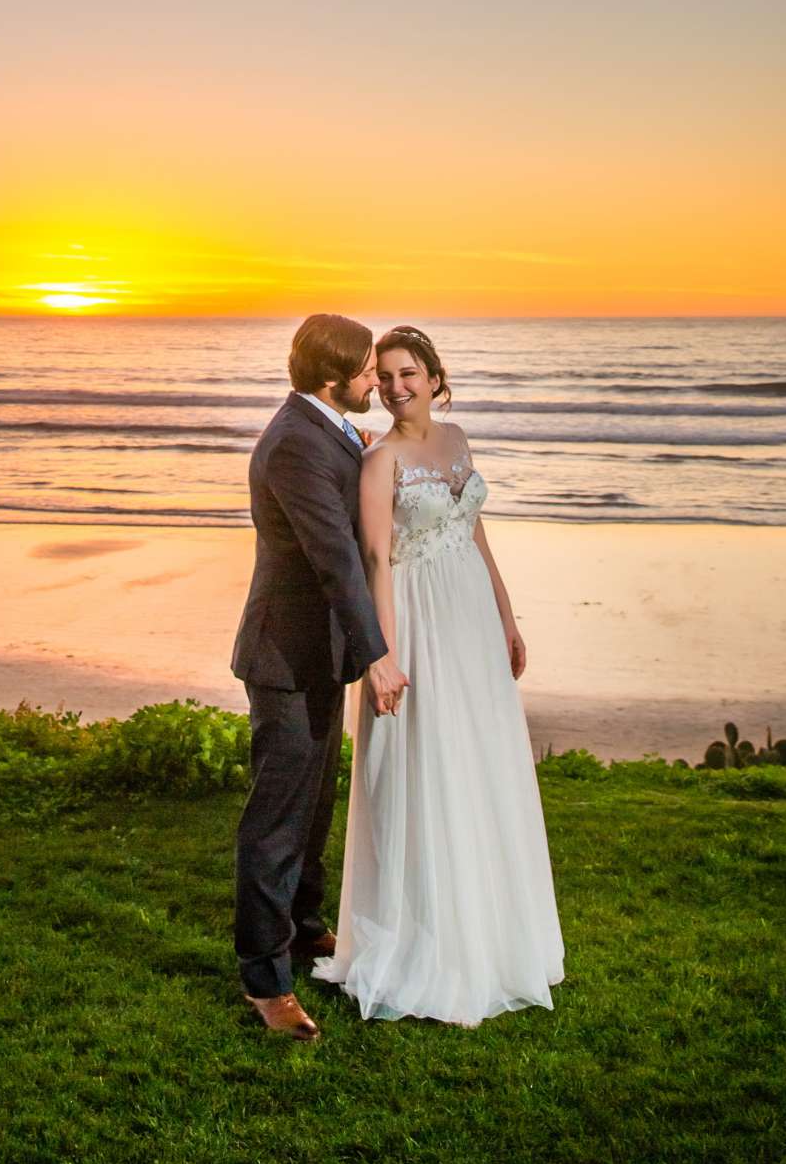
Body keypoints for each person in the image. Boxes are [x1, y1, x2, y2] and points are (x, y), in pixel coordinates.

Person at [312, 325, 565, 1025]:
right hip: (418, 622)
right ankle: (427, 942)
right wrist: (383, 656)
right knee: (427, 764)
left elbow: (476, 531)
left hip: (472, 617)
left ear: (432, 375)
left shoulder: (457, 440)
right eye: (385, 376)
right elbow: (375, 562)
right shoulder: (379, 460)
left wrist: (507, 617)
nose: (396, 387)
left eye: (408, 373)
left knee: (482, 762)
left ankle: (494, 934)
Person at [231, 314, 410, 1040]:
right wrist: (377, 655)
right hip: (286, 657)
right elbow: (334, 556)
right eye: (369, 370)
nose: (376, 380)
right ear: (335, 379)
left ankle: (304, 930)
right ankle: (265, 981)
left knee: (312, 808)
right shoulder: (296, 446)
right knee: (275, 822)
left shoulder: (323, 428)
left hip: (315, 654)